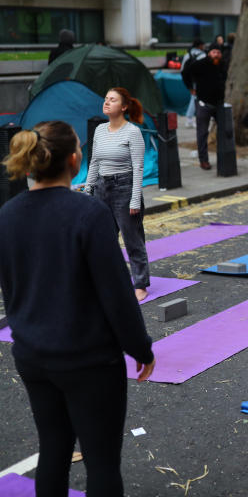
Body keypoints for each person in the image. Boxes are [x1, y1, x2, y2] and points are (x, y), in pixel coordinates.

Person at [0, 121, 155, 497]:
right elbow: (116, 293)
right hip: (88, 360)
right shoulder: (88, 213)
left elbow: (12, 287)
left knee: (53, 450)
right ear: (74, 160)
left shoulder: (8, 215)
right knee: (101, 461)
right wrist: (140, 347)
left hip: (33, 356)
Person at [85, 88, 151, 301]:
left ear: (123, 107)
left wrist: (134, 199)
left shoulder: (132, 132)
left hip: (124, 187)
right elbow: (94, 162)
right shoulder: (100, 130)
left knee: (132, 240)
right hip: (102, 188)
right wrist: (88, 190)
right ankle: (105, 281)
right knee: (102, 239)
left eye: (112, 100)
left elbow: (138, 167)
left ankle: (140, 283)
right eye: (105, 99)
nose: (106, 103)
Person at [181, 44, 227, 170]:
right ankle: (203, 160)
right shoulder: (200, 64)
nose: (216, 55)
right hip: (203, 103)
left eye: (218, 52)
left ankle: (224, 157)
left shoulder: (223, 64)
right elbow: (185, 73)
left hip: (219, 103)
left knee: (225, 131)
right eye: (214, 52)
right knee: (202, 133)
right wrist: (190, 88)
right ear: (209, 53)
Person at [180, 39, 207, 129]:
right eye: (203, 45)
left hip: (192, 81)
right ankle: (191, 119)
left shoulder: (187, 55)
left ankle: (190, 119)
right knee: (197, 100)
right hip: (201, 81)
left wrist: (189, 86)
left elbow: (183, 70)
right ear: (200, 46)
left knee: (194, 98)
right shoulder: (203, 55)